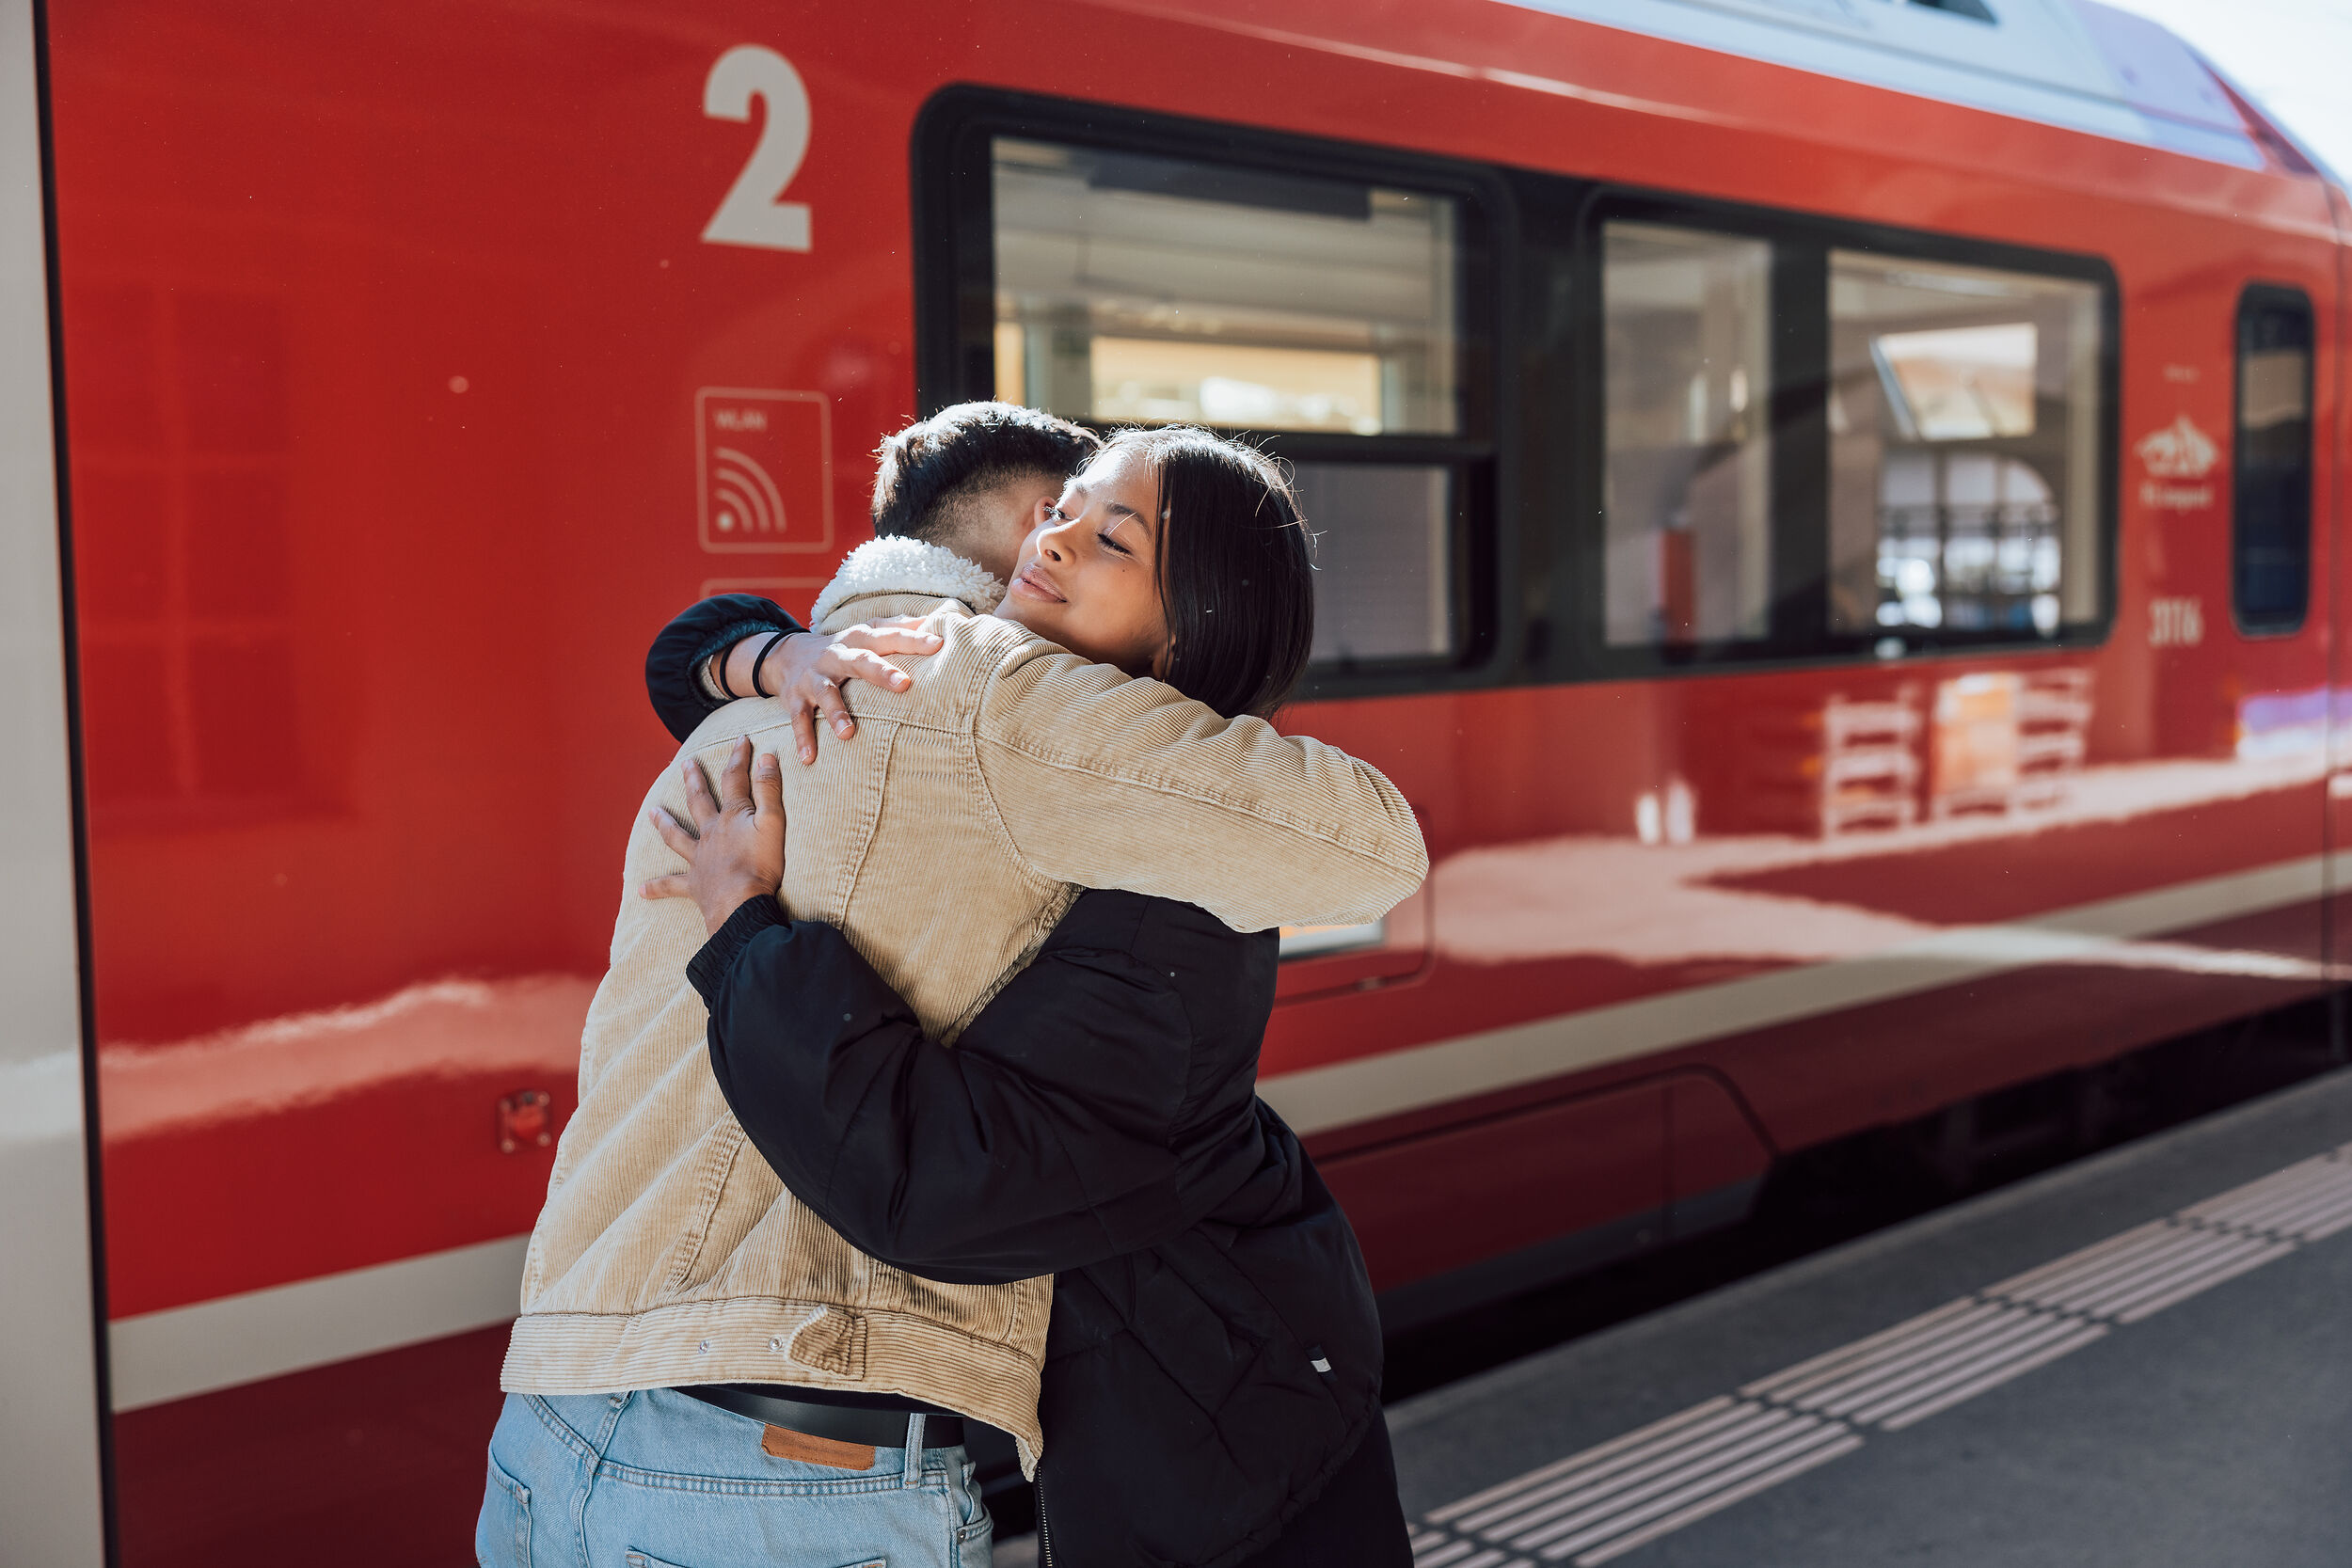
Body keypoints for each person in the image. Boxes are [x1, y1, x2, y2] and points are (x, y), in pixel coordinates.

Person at [479, 407, 1426, 1568]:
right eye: (1059, 512)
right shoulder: (998, 695)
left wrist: (753, 660)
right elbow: (931, 1188)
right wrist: (748, 941)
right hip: (784, 1462)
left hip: (551, 1423)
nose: (1058, 541)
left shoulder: (753, 713)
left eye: (1105, 535)